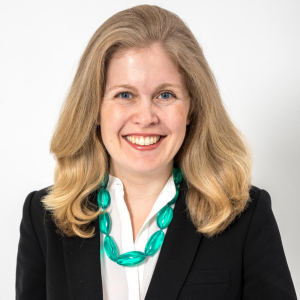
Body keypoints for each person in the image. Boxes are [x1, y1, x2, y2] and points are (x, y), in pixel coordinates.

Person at [15, 4, 297, 300]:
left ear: (192, 108)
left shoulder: (245, 217)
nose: (146, 117)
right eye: (125, 95)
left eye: (166, 95)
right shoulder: (43, 219)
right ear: (94, 109)